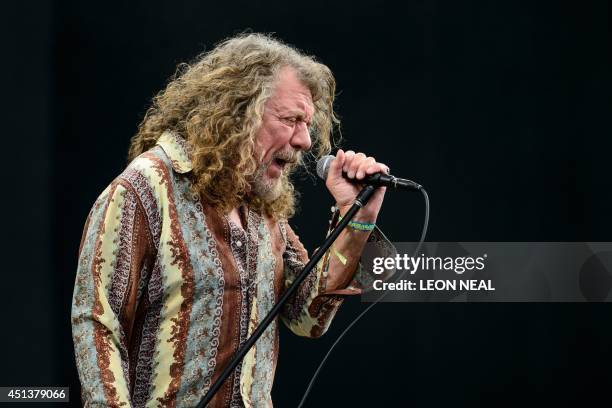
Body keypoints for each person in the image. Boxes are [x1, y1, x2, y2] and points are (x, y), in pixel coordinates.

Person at [71, 33, 393, 407]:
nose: (305, 140)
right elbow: (97, 325)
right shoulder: (144, 189)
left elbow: (308, 318)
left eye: (307, 123)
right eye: (291, 119)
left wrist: (357, 218)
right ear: (238, 112)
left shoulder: (260, 203)